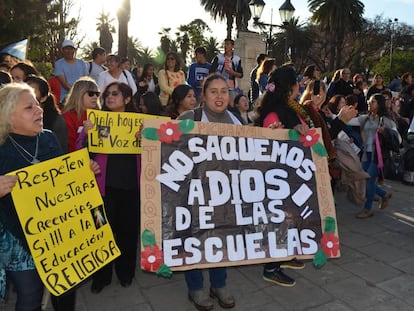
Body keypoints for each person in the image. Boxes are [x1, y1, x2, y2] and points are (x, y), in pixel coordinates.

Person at [0, 83, 100, 311]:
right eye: (29, 107)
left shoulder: (48, 138)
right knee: (30, 296)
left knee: (66, 288)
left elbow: (62, 179)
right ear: (8, 116)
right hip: (17, 237)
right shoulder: (2, 148)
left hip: (56, 230)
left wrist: (83, 171)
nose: (39, 110)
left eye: (38, 104)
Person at [177, 74, 237, 311]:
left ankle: (219, 285)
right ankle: (196, 289)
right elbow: (166, 143)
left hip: (221, 194)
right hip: (191, 195)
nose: (220, 96)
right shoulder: (190, 118)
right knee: (193, 240)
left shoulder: (234, 122)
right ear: (203, 95)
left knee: (218, 238)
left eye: (224, 91)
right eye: (214, 91)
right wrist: (148, 137)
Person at [80, 82, 141, 294]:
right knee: (100, 232)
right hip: (100, 193)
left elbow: (156, 152)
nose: (109, 97)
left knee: (128, 232)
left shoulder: (140, 124)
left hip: (130, 191)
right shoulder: (95, 122)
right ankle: (101, 277)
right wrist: (85, 134)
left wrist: (147, 138)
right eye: (107, 94)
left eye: (115, 94)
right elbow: (80, 155)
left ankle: (126, 274)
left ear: (127, 99)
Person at [348, 94, 398, 219]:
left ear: (379, 104)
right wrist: (333, 116)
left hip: (379, 155)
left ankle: (368, 208)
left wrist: (385, 131)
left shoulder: (385, 120)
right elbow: (350, 121)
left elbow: (397, 136)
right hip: (367, 154)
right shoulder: (366, 118)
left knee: (369, 180)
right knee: (364, 179)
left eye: (373, 102)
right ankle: (383, 194)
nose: (370, 103)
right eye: (369, 101)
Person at [25, 75, 68, 152]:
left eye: (32, 91)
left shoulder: (56, 121)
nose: (27, 94)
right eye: (25, 90)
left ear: (44, 97)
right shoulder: (15, 116)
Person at [62, 77, 101, 152]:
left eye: (97, 94)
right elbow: (69, 147)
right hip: (78, 159)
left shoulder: (100, 115)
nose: (95, 97)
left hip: (98, 160)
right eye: (91, 94)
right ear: (79, 94)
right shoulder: (67, 116)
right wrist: (84, 133)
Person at [54, 39, 88, 105]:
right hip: (66, 99)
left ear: (74, 50)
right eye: (67, 49)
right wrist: (77, 93)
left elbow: (86, 80)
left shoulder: (82, 63)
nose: (69, 51)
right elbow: (65, 84)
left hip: (82, 98)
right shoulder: (58, 64)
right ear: (62, 50)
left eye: (71, 49)